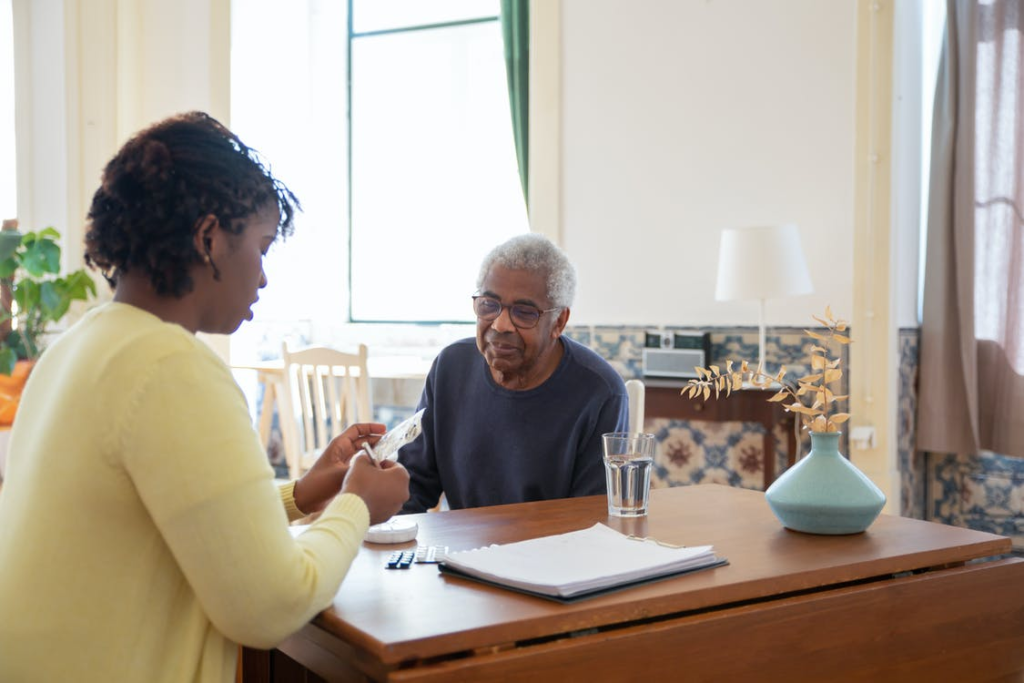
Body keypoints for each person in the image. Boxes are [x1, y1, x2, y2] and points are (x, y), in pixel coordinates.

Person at [0, 112, 409, 683]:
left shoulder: (77, 347)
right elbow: (270, 606)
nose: (263, 278)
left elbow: (180, 514)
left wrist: (309, 492)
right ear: (210, 238)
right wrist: (358, 503)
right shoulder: (172, 367)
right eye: (262, 248)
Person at [399, 233, 629, 512]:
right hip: (462, 550)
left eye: (524, 312)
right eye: (488, 305)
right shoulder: (450, 367)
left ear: (559, 322)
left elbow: (591, 518)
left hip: (555, 551)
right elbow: (412, 487)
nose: (500, 324)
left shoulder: (600, 392)